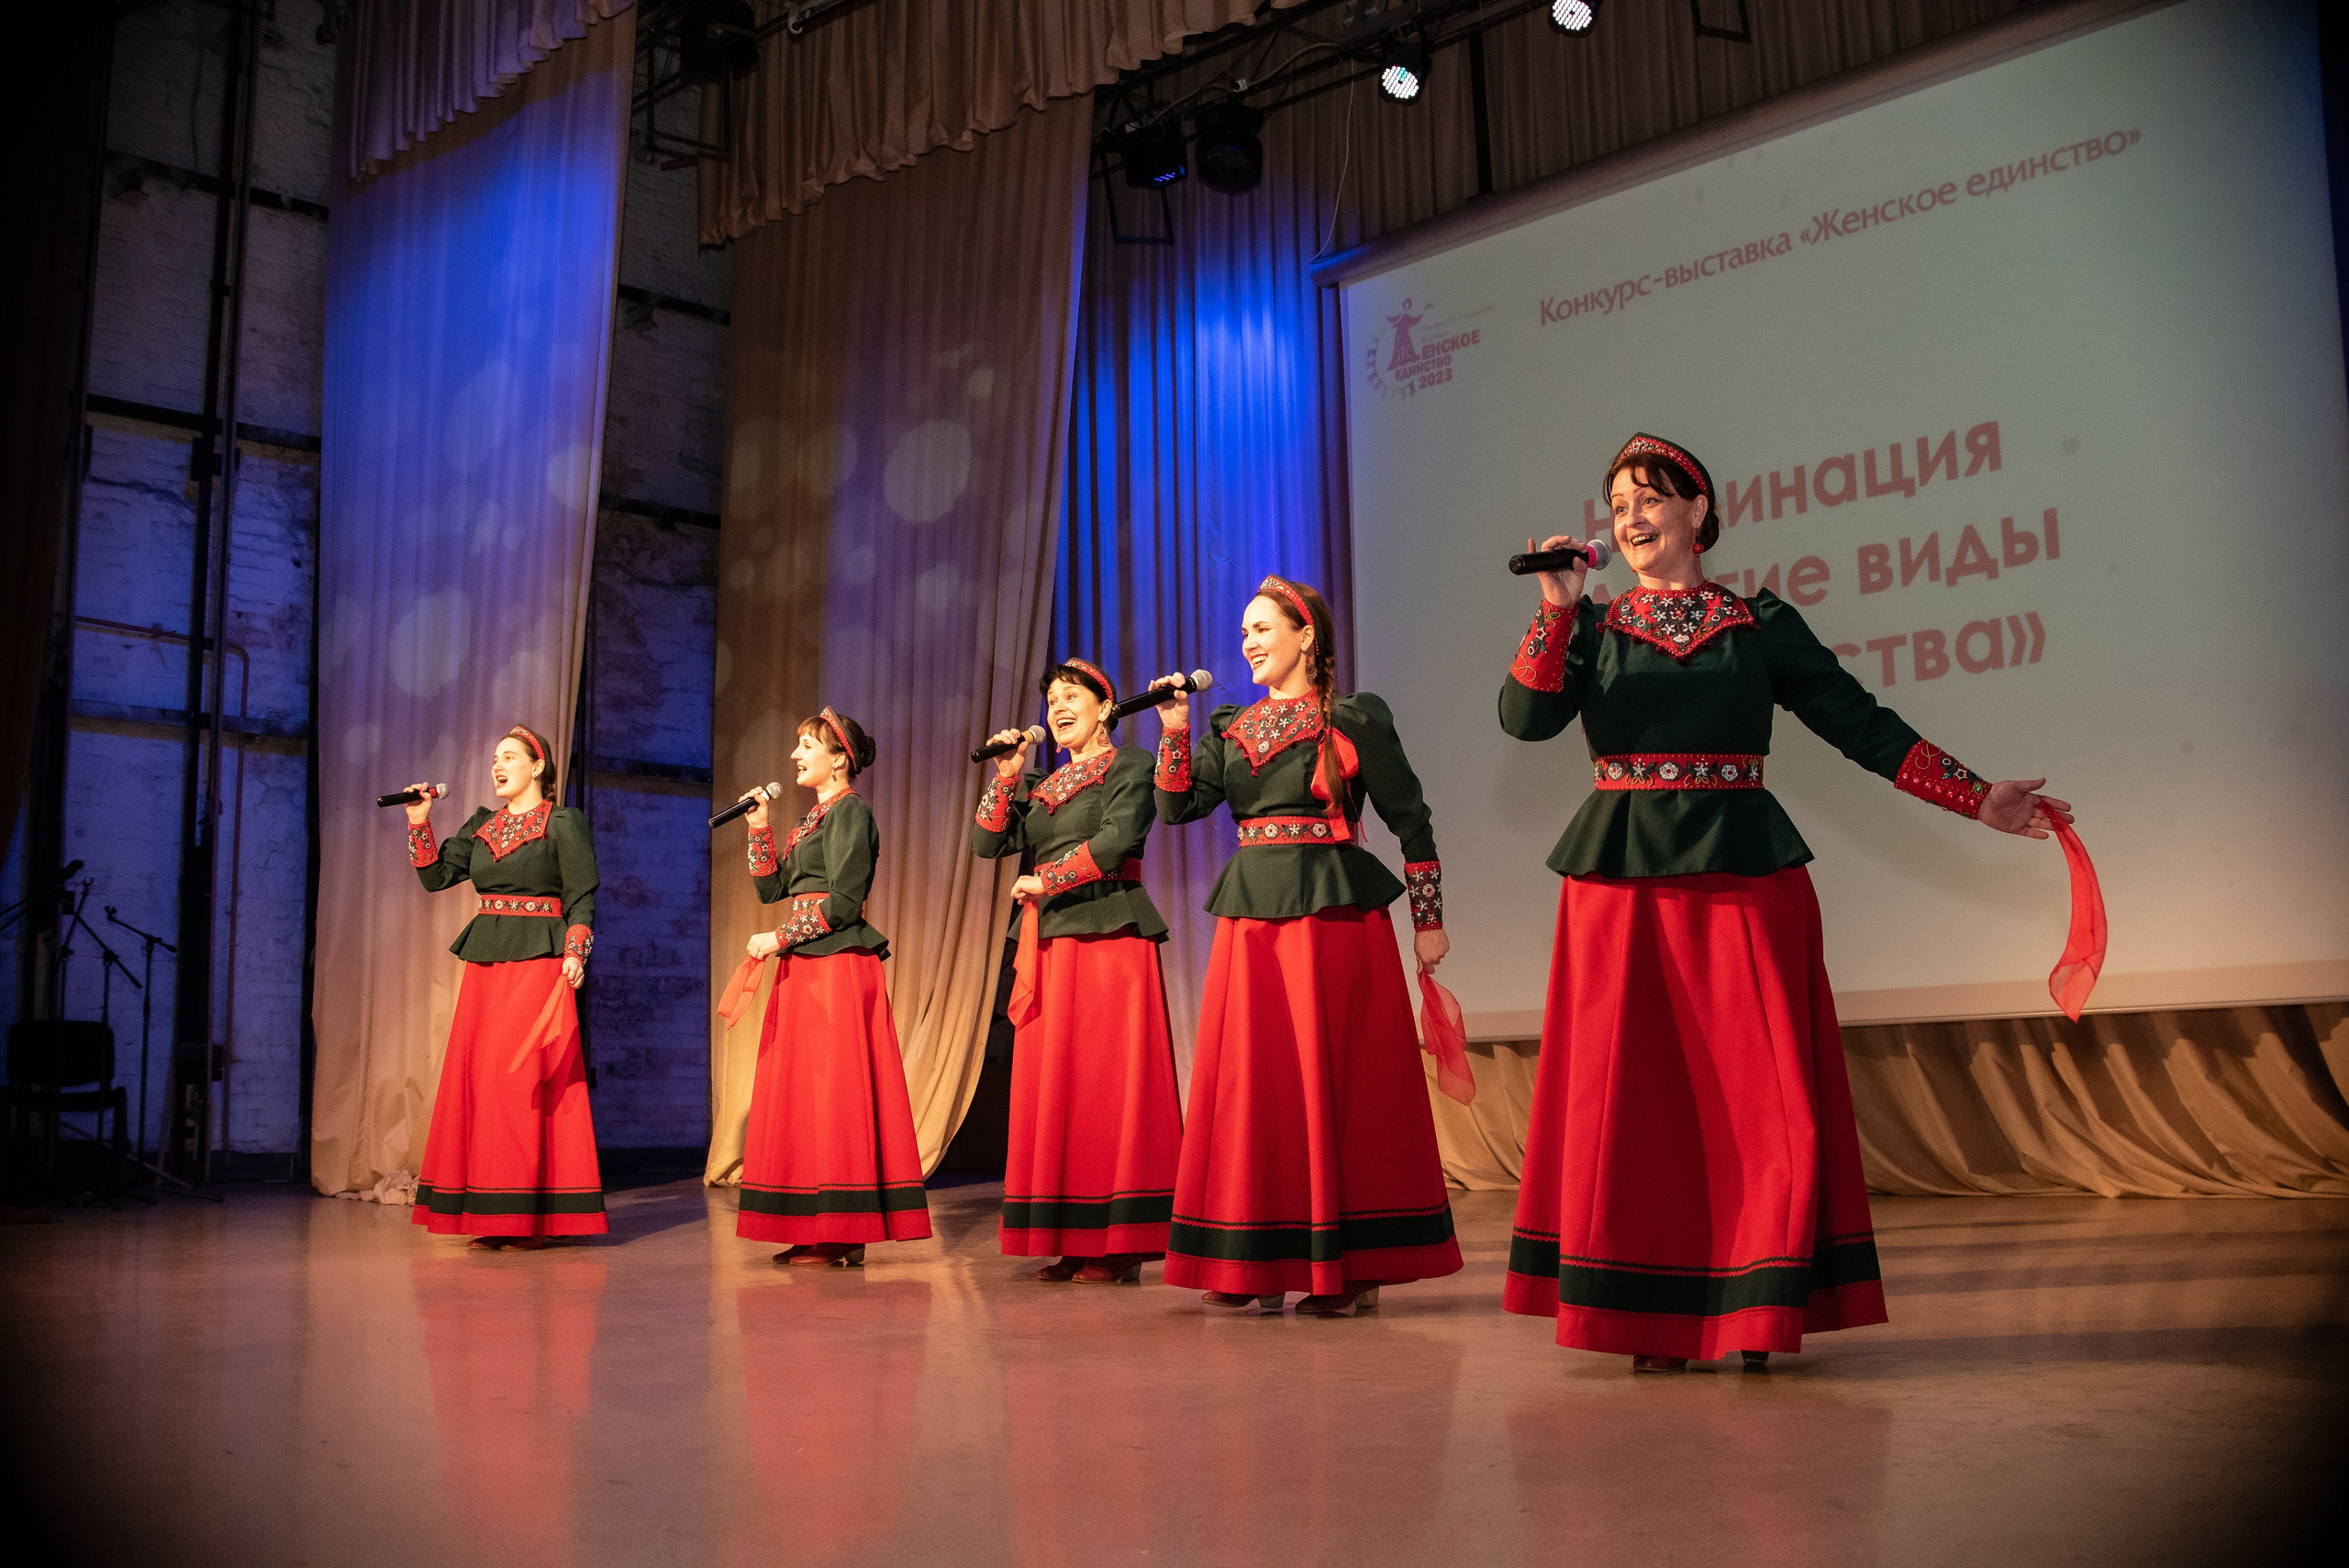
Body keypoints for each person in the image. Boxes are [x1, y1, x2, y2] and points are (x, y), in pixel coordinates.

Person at [1499, 431, 2074, 1371]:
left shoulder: (1758, 622)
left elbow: (1859, 721)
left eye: (1650, 497)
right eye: (1618, 505)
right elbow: (1525, 720)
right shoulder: (1591, 627)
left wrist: (1976, 796)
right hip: (1622, 888)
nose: (1631, 517)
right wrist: (1555, 612)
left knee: (1763, 1098)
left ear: (1697, 512)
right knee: (1635, 1099)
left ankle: (1756, 1301)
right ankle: (1648, 1313)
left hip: (1744, 874)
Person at [1152, 576, 1462, 1316]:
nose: (1249, 642)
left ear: (1306, 635)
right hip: (1254, 927)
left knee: (1339, 1081)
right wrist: (1174, 728)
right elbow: (1176, 806)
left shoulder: (1352, 717)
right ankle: (1255, 1255)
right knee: (1258, 1085)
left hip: (1333, 918)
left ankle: (1350, 1265)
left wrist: (1428, 918)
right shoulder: (1231, 726)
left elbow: (1412, 819)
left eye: (1263, 628)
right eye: (1244, 632)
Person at [972, 658, 1183, 1284]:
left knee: (1105, 1084)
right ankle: (1071, 1234)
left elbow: (1120, 839)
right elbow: (988, 844)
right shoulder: (1042, 784)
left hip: (1109, 932)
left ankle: (1118, 1242)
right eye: (1052, 699)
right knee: (1058, 1086)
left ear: (1105, 707)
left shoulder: (1129, 765)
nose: (1058, 707)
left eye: (1072, 695)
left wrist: (1049, 879)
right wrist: (1005, 776)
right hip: (1051, 940)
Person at [734, 706, 930, 1264]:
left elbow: (843, 903)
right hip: (805, 961)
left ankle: (842, 1227)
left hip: (837, 962)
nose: (795, 755)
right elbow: (771, 890)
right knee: (803, 1092)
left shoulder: (851, 812)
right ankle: (812, 1222)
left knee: (835, 1091)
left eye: (807, 746)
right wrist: (758, 828)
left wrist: (780, 937)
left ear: (839, 758)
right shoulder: (812, 820)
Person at [402, 725, 606, 1247]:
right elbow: (435, 877)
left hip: (539, 961)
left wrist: (575, 951)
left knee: (520, 1081)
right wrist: (419, 821)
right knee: (482, 1080)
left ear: (538, 767)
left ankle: (528, 1215)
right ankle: (489, 1210)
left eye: (510, 757)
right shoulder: (482, 824)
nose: (498, 765)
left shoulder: (563, 823)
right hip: (487, 965)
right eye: (495, 758)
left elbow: (581, 895)